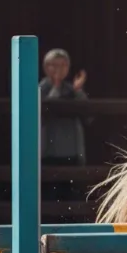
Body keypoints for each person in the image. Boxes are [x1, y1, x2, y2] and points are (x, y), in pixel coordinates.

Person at [40, 49, 88, 204]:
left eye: (63, 65)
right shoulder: (40, 89)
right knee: (49, 197)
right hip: (47, 153)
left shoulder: (72, 89)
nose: (58, 69)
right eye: (54, 65)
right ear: (46, 67)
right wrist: (55, 87)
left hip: (71, 153)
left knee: (70, 196)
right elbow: (45, 110)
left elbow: (88, 116)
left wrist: (77, 91)